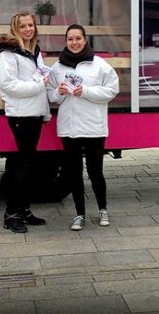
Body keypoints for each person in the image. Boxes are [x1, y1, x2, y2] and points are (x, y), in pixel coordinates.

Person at [47, 24, 119, 231]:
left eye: (78, 38)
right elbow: (50, 95)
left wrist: (85, 91)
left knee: (96, 171)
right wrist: (59, 92)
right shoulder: (58, 67)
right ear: (66, 41)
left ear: (85, 40)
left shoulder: (99, 64)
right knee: (73, 173)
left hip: (94, 126)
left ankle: (103, 209)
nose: (74, 42)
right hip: (69, 127)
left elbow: (111, 90)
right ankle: (79, 214)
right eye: (70, 39)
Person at [0, 11, 51, 233]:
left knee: (26, 164)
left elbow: (43, 81)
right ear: (15, 29)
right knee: (24, 166)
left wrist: (44, 112)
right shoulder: (7, 55)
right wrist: (38, 86)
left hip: (34, 114)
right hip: (20, 116)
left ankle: (24, 210)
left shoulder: (33, 52)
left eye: (31, 25)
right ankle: (11, 214)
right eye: (23, 26)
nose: (28, 29)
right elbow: (9, 86)